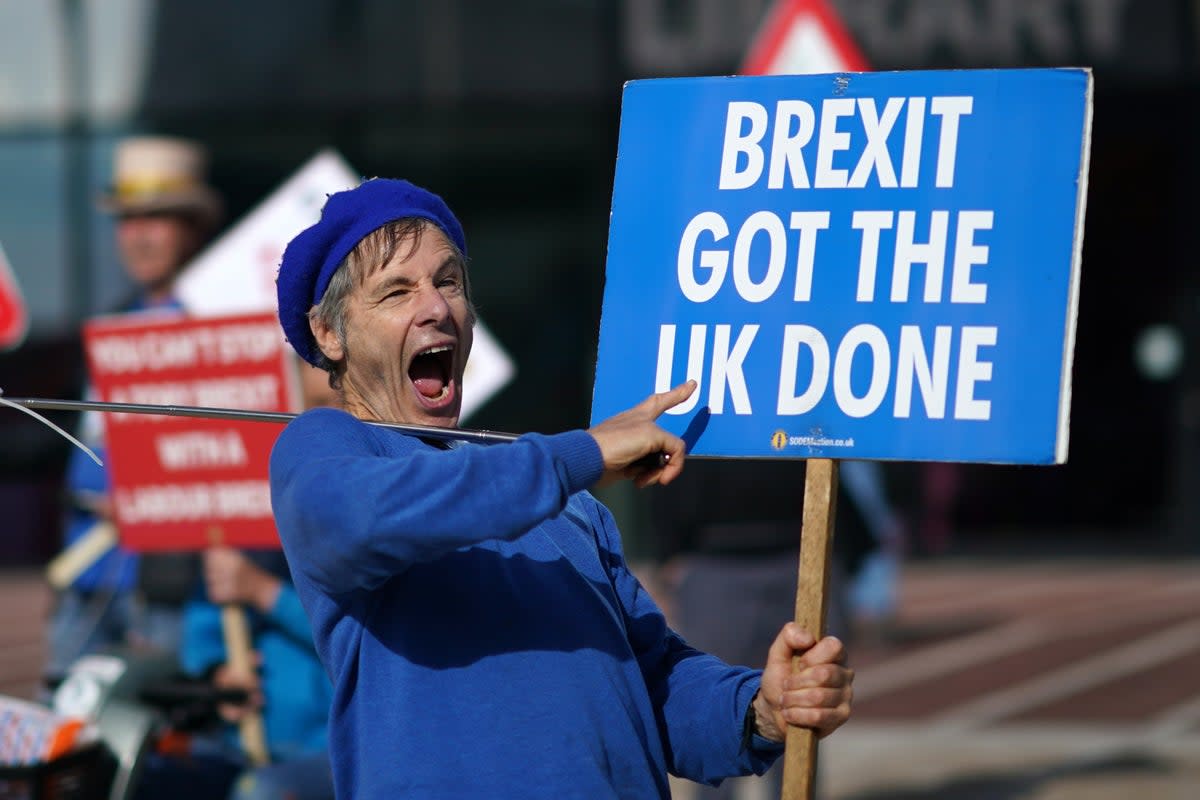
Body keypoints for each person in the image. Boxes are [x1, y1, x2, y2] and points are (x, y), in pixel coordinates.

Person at [268, 178, 854, 798]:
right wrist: (584, 452)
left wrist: (759, 709)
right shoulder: (326, 443)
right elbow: (360, 519)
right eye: (396, 291)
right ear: (328, 335)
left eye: (448, 282)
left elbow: (653, 684)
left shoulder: (574, 505)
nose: (436, 307)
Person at [46, 136, 222, 681]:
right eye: (128, 219)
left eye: (157, 218)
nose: (139, 235)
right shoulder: (114, 319)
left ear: (193, 227)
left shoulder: (220, 326)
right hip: (86, 569)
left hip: (164, 584)